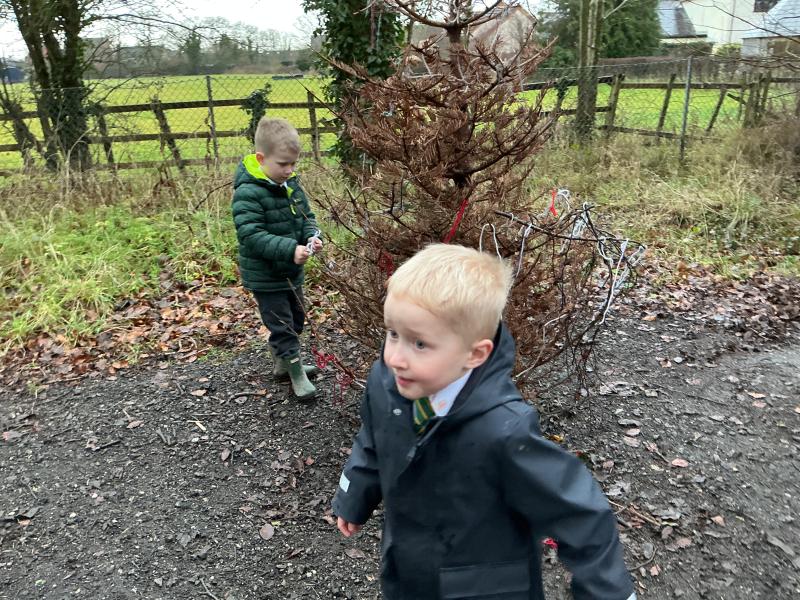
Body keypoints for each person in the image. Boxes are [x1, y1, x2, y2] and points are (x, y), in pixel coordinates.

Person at [333, 244, 636, 600]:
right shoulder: (386, 384)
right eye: (393, 334)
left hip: (481, 587)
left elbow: (580, 513)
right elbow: (374, 436)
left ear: (475, 354)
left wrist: (609, 592)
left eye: (420, 344)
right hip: (408, 569)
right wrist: (354, 493)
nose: (396, 357)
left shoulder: (504, 431)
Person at [231, 117, 321, 400]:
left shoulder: (290, 184)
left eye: (293, 163)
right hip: (266, 276)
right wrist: (289, 249)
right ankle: (296, 374)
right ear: (261, 158)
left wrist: (312, 236)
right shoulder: (248, 192)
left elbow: (306, 217)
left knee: (297, 319)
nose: (290, 170)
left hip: (291, 271)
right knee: (283, 325)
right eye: (283, 164)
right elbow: (251, 234)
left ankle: (283, 363)